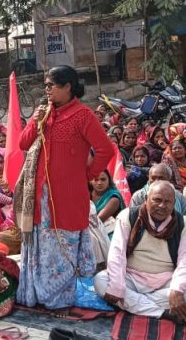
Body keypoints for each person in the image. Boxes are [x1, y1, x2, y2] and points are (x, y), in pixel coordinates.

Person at [16, 65, 113, 309]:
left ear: (68, 86)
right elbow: (23, 144)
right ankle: (35, 296)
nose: (46, 90)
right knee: (38, 250)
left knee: (61, 251)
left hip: (67, 198)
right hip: (40, 198)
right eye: (45, 85)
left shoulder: (83, 116)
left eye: (51, 85)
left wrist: (83, 175)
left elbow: (105, 150)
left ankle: (58, 301)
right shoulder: (45, 114)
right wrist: (34, 122)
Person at [95, 182, 186, 322]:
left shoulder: (184, 223)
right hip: (130, 277)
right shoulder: (128, 216)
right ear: (146, 199)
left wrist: (177, 290)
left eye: (167, 202)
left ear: (174, 203)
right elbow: (117, 253)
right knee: (101, 281)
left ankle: (132, 304)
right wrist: (117, 286)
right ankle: (162, 313)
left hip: (165, 281)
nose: (162, 206)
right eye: (157, 200)